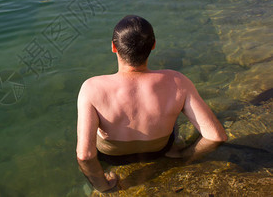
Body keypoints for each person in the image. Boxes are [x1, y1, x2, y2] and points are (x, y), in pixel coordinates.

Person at [76, 15, 228, 193]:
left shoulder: (92, 88)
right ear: (153, 45)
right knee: (174, 118)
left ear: (113, 47)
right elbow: (216, 136)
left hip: (111, 158)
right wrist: (182, 155)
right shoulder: (178, 81)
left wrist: (104, 186)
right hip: (159, 151)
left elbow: (85, 154)